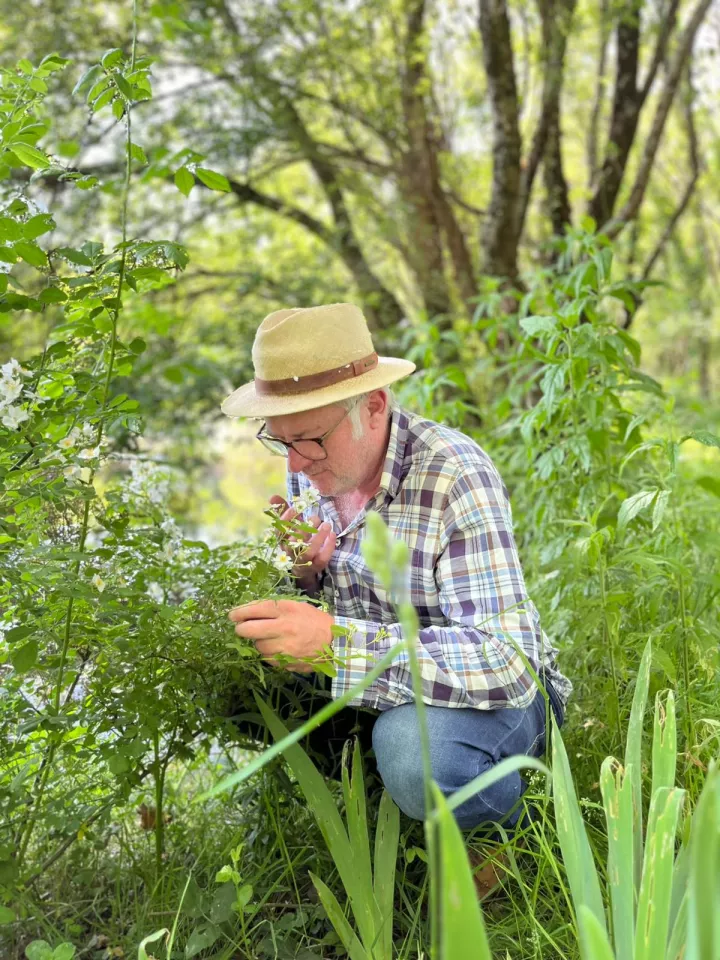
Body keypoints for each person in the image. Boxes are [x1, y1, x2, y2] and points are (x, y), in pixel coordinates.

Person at [221, 302, 571, 859]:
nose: (295, 463)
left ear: (375, 406)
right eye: (280, 441)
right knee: (236, 673)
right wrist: (304, 577)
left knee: (411, 749)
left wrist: (333, 644)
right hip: (387, 689)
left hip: (494, 701)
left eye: (308, 439)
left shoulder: (455, 474)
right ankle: (382, 807)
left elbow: (506, 662)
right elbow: (322, 608)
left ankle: (512, 834)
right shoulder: (310, 465)